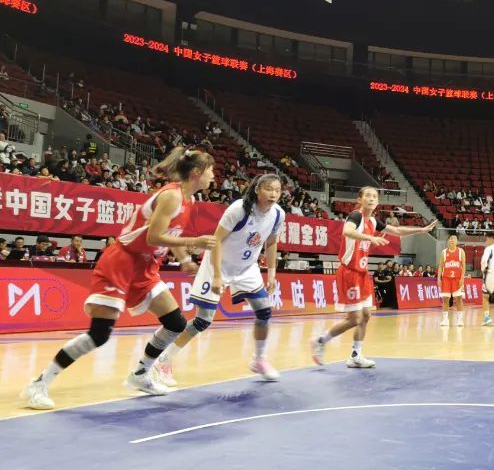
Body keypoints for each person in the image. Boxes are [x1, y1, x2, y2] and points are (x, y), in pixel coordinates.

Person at [21, 148, 217, 410]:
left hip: (145, 266)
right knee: (99, 334)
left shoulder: (188, 200)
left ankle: (140, 374)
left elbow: (170, 234)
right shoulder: (171, 196)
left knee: (175, 323)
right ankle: (39, 384)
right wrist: (195, 241)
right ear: (196, 172)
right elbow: (153, 236)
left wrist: (184, 259)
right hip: (122, 262)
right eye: (211, 171)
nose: (213, 176)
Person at [152, 174, 285, 386]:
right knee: (202, 321)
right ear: (257, 190)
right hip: (218, 264)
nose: (273, 194)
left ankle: (259, 359)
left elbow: (271, 242)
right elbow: (216, 241)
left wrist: (271, 273)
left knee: (264, 311)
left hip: (246, 267)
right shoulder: (239, 209)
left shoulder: (278, 214)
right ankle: (164, 360)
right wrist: (216, 275)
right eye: (269, 189)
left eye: (277, 190)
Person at [311, 187, 435, 368]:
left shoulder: (373, 221)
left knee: (366, 315)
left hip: (362, 274)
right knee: (354, 319)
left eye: (374, 196)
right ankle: (320, 341)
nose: (371, 199)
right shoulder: (356, 216)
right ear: (359, 199)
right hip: (349, 272)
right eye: (367, 196)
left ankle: (356, 355)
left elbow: (397, 231)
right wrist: (370, 238)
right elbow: (347, 231)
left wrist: (421, 230)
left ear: (377, 202)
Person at [438, 232, 466, 327]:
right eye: (451, 238)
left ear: (457, 241)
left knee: (459, 299)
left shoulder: (461, 252)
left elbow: (464, 266)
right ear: (448, 241)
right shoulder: (444, 252)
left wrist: (462, 278)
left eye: (454, 238)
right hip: (446, 279)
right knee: (445, 299)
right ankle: (445, 319)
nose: (452, 240)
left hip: (457, 279)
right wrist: (439, 279)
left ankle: (460, 320)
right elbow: (440, 266)